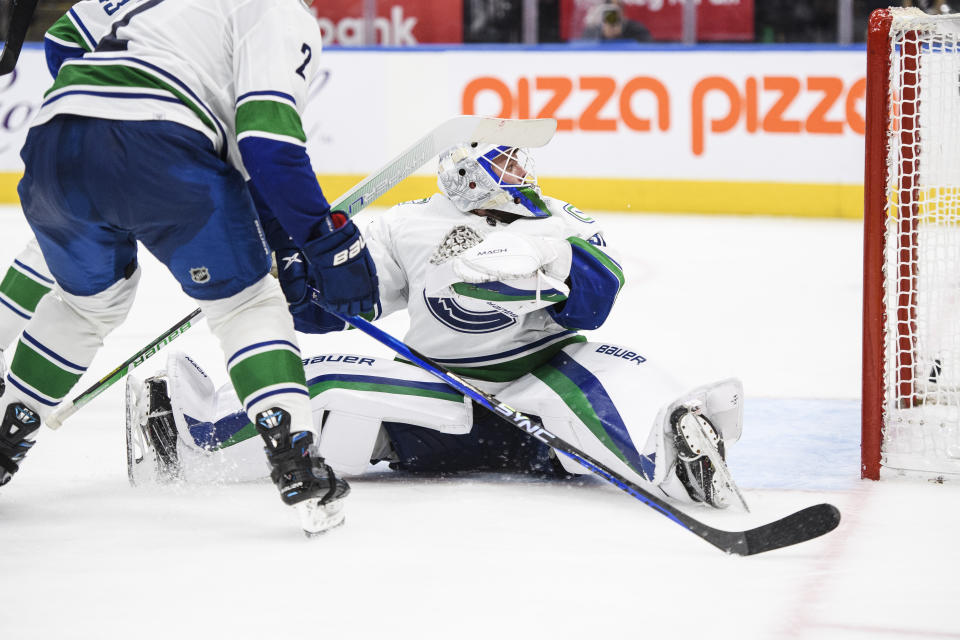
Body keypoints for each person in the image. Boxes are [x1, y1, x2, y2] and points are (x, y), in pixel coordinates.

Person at [125, 143, 746, 510]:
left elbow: (594, 300)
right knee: (316, 381)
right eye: (499, 164)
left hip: (541, 374)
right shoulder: (408, 225)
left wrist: (545, 267)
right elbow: (344, 302)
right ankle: (188, 431)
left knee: (620, 377)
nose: (514, 173)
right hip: (440, 389)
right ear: (466, 177)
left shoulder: (559, 218)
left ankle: (680, 460)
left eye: (514, 162)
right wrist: (298, 276)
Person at [0, 0, 379, 533]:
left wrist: (112, 112)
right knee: (246, 302)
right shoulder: (278, 10)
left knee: (86, 307)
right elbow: (268, 146)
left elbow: (64, 39)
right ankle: (295, 456)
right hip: (166, 155)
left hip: (53, 142)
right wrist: (324, 242)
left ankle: (7, 431)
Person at [581, 3, 652, 43]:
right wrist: (603, 35)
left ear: (623, 10)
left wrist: (621, 34)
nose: (613, 14)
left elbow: (648, 49)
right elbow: (584, 49)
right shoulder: (593, 30)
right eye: (610, 8)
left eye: (617, 8)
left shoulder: (636, 29)